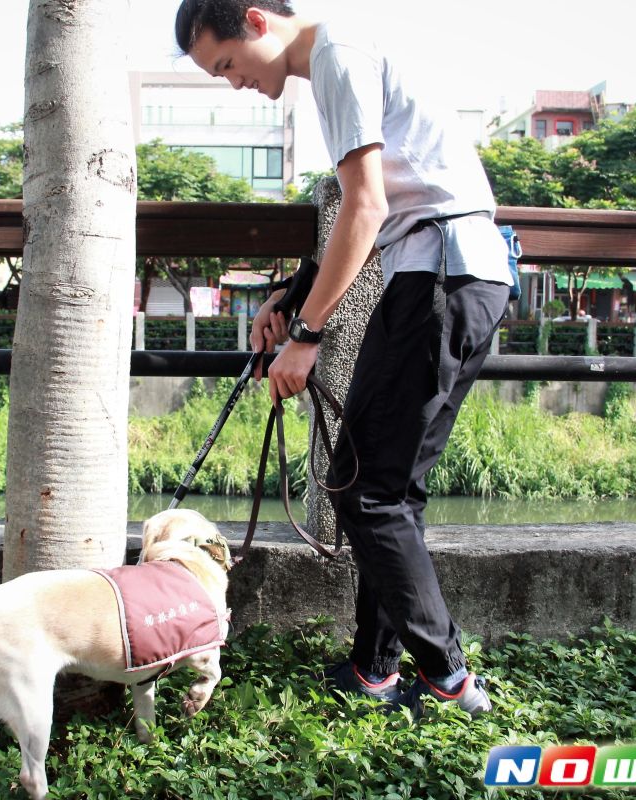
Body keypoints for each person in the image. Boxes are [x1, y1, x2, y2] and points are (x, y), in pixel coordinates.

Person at [174, 0, 512, 718]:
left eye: (228, 65)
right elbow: (367, 216)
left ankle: (449, 678)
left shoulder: (336, 55)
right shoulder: (344, 54)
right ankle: (374, 671)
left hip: (439, 276)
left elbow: (365, 208)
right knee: (388, 489)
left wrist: (306, 334)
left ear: (258, 21)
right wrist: (292, 297)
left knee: (365, 490)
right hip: (456, 274)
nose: (233, 83)